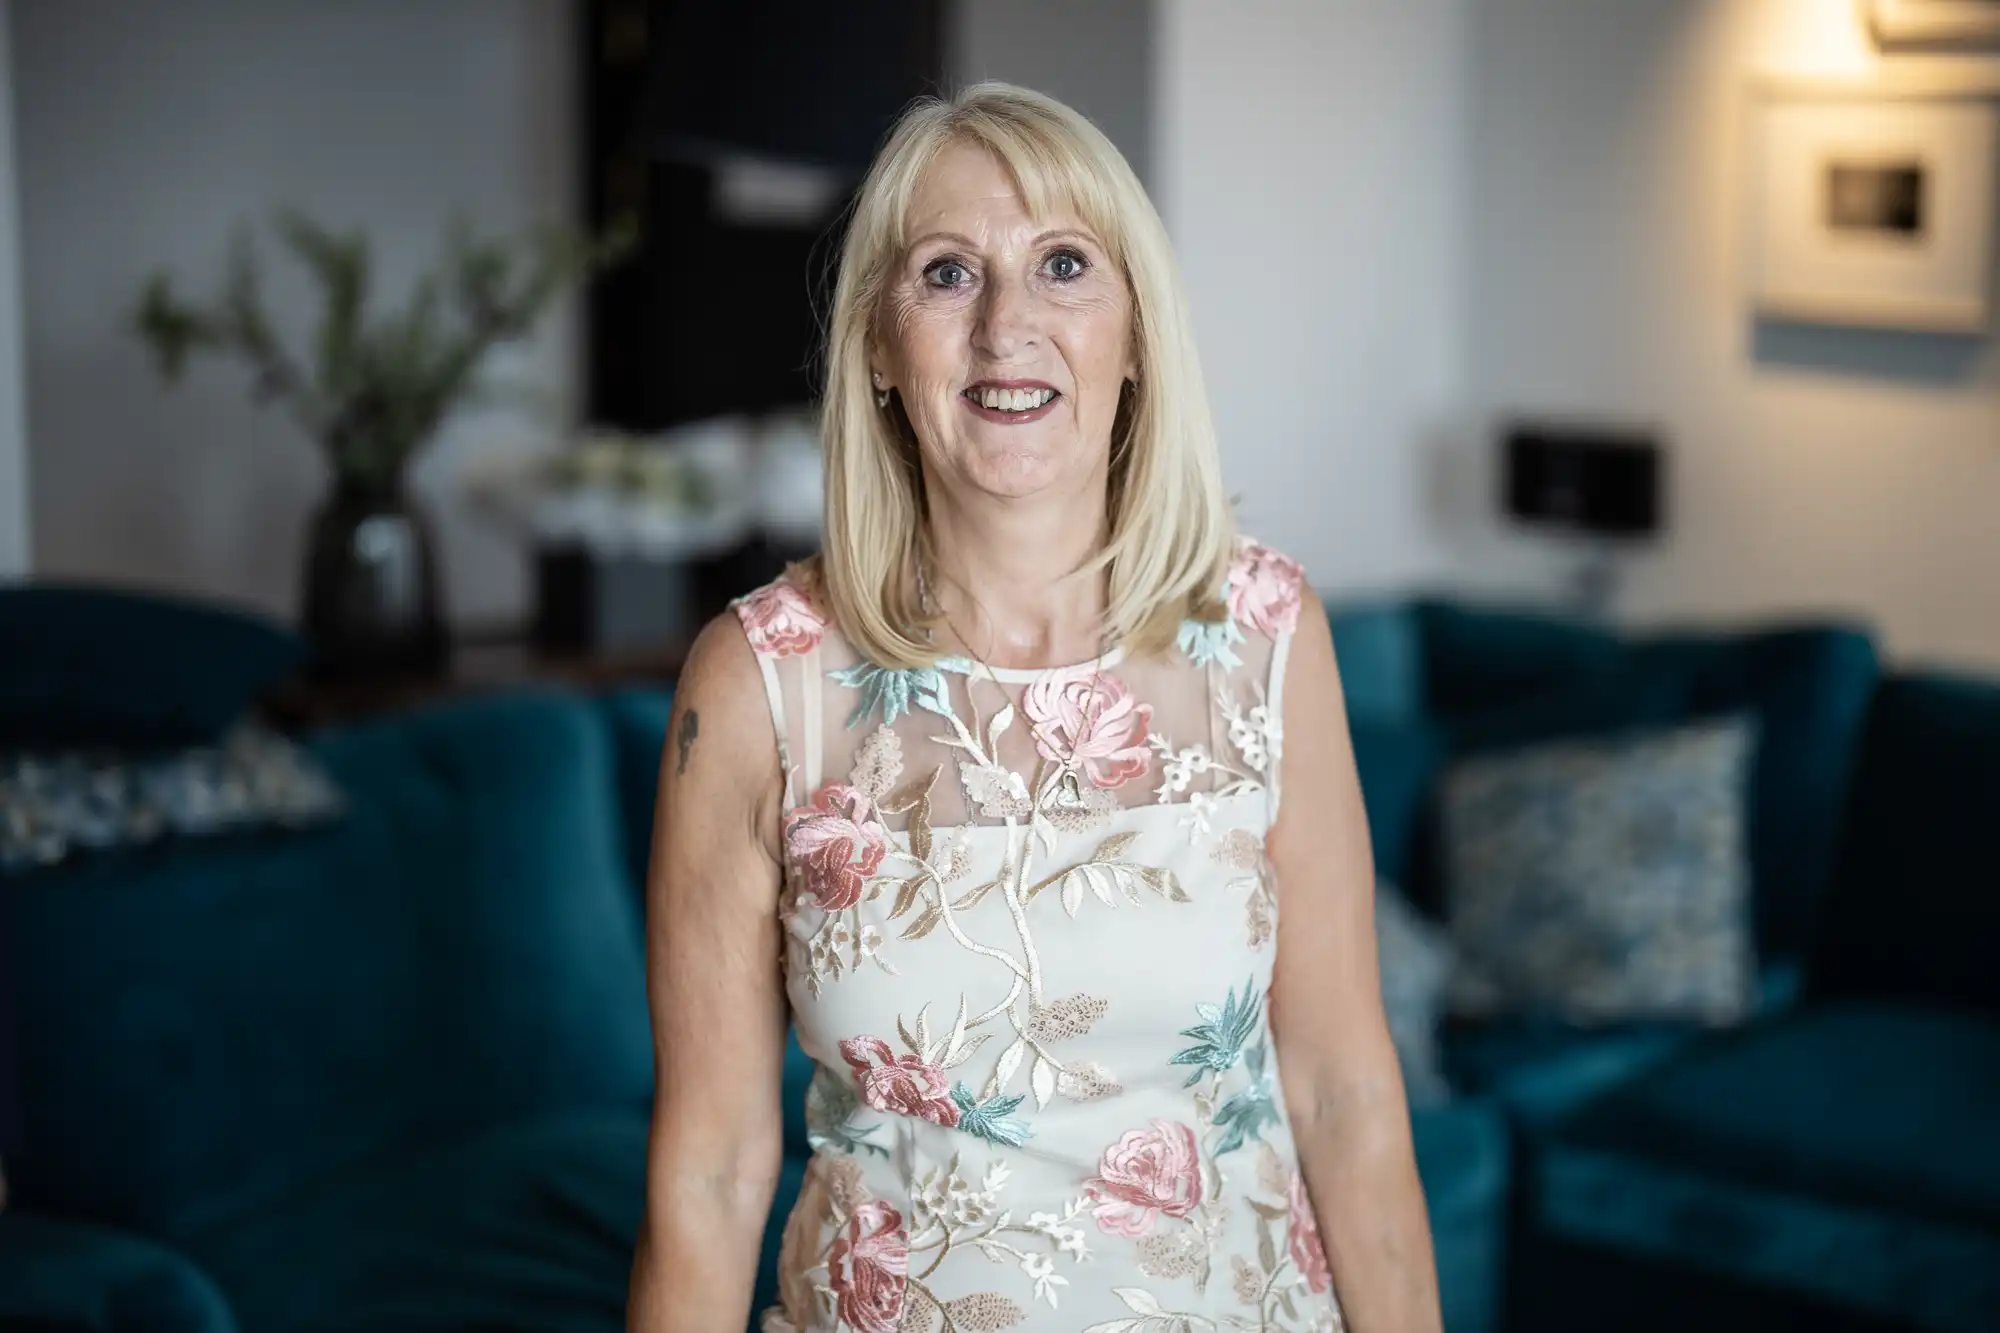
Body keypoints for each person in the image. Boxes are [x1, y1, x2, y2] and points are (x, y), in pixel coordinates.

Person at [626, 82, 1442, 1333]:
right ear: (881, 352)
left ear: (1135, 334)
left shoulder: (1271, 639)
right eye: (947, 274)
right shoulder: (753, 683)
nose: (1007, 325)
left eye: (1062, 265)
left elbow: (1341, 1090)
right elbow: (709, 1175)